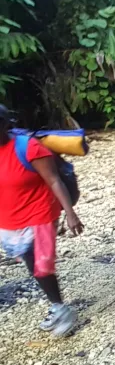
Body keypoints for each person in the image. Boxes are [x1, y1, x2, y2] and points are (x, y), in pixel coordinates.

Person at [0, 105, 83, 337]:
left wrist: (70, 213)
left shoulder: (30, 147)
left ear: (5, 125)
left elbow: (55, 181)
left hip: (41, 212)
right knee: (30, 260)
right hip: (10, 218)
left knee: (41, 264)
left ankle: (60, 309)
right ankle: (56, 305)